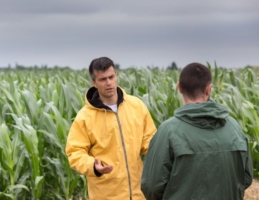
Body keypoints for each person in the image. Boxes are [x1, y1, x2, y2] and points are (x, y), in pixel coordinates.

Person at [141, 62, 253, 200]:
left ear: (179, 87)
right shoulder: (234, 127)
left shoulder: (167, 131)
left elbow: (151, 187)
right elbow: (246, 177)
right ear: (208, 89)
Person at [65, 57, 157, 200]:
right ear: (94, 83)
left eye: (111, 77)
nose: (109, 83)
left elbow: (150, 141)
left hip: (139, 194)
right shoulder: (84, 117)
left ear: (116, 76)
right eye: (102, 79)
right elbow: (74, 152)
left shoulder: (137, 106)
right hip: (106, 196)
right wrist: (93, 166)